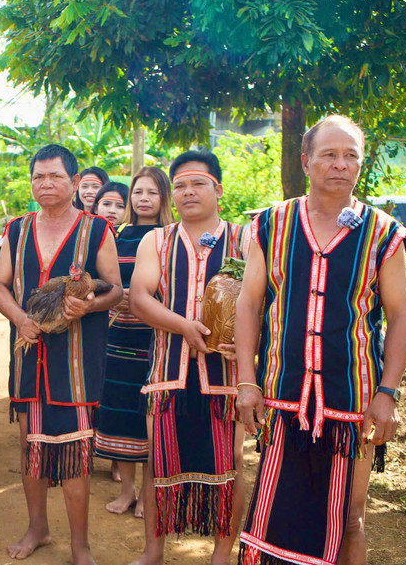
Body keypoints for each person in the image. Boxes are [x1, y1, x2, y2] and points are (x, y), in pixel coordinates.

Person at [234, 115, 406, 565]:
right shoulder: (270, 225)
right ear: (306, 161)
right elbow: (249, 305)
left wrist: (387, 393)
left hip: (352, 403)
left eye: (350, 155)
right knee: (275, 511)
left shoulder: (383, 233)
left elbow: (400, 316)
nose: (340, 164)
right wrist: (246, 382)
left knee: (349, 519)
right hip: (282, 397)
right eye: (329, 154)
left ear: (360, 164)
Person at [0, 144, 122, 565]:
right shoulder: (17, 229)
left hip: (77, 362)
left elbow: (116, 289)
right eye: (38, 177)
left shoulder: (97, 229)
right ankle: (38, 529)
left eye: (55, 176)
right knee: (30, 445)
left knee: (75, 455)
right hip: (29, 358)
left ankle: (80, 546)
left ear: (73, 181)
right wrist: (18, 318)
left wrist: (91, 305)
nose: (45, 184)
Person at [129, 151, 249, 565]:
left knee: (230, 465)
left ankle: (220, 555)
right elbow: (140, 297)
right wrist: (182, 325)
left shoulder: (247, 240)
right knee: (157, 459)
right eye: (179, 185)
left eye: (197, 183)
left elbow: (269, 302)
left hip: (229, 375)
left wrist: (253, 342)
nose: (187, 192)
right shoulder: (156, 240)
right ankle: (153, 551)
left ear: (218, 188)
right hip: (168, 371)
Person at [94, 169, 173, 518]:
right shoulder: (116, 236)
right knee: (119, 415)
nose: (143, 198)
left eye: (152, 192)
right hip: (116, 339)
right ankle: (126, 491)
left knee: (149, 419)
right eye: (138, 192)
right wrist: (116, 295)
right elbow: (100, 280)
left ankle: (146, 495)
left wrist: (142, 299)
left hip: (156, 341)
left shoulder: (170, 237)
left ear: (163, 198)